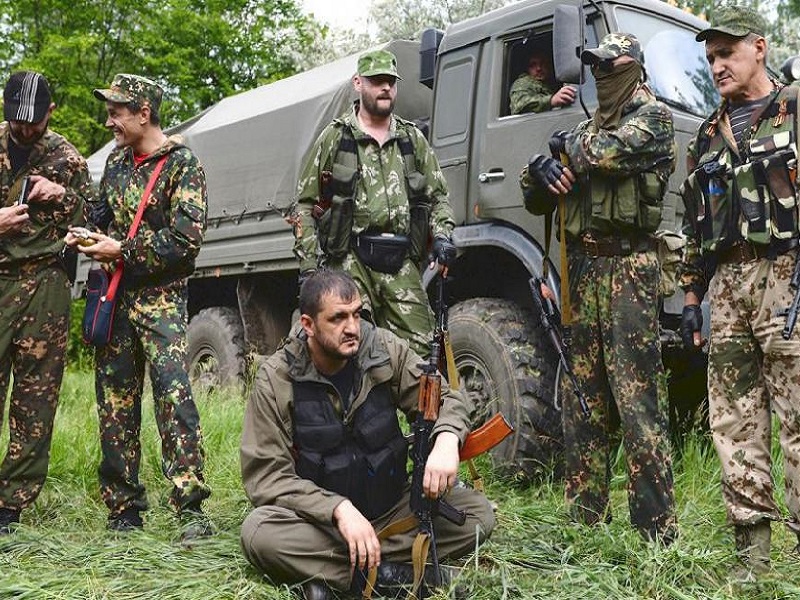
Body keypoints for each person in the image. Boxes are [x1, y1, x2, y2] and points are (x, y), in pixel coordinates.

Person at [240, 270, 495, 599]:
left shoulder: (384, 351)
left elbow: (444, 399)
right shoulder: (276, 380)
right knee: (259, 533)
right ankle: (399, 577)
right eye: (338, 318)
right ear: (308, 324)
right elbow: (267, 476)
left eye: (356, 314)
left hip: (391, 508)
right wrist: (338, 509)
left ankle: (338, 577)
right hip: (324, 526)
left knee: (477, 515)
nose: (352, 328)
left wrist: (446, 440)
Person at [520, 33, 677, 542]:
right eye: (595, 66)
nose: (601, 74)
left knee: (636, 401)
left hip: (630, 271)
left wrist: (560, 148)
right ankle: (585, 518)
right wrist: (537, 172)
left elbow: (604, 153)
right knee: (581, 396)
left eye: (612, 65)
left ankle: (655, 530)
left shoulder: (654, 118)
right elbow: (539, 194)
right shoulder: (585, 129)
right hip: (584, 271)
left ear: (635, 67)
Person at [679, 5, 800, 579]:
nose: (717, 65)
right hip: (726, 285)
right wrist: (692, 299)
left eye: (726, 53)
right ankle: (751, 561)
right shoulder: (707, 134)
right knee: (733, 422)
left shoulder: (796, 109)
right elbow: (693, 225)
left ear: (760, 48)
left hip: (788, 279)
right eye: (709, 58)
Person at [65, 74, 211, 537]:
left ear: (143, 113)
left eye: (117, 111)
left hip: (161, 302)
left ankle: (190, 508)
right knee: (114, 403)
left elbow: (184, 244)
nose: (109, 120)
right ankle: (123, 508)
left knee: (174, 399)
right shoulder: (115, 163)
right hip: (115, 298)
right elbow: (102, 214)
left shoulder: (183, 166)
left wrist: (120, 251)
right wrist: (86, 233)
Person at [292, 49, 457, 358]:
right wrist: (309, 269)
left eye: (391, 82)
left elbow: (438, 197)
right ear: (358, 83)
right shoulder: (336, 137)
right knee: (352, 347)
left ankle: (418, 406)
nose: (385, 88)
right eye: (377, 81)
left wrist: (444, 236)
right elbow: (304, 204)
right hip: (350, 259)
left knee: (422, 350)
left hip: (401, 259)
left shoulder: (412, 139)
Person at [0, 71, 91, 533]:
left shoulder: (67, 158)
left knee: (36, 397)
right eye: (17, 120)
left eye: (33, 122)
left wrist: (65, 195)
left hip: (44, 284)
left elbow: (93, 219)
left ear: (49, 113)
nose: (24, 129)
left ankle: (11, 504)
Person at [509, 49, 576, 115]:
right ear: (527, 69)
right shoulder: (523, 82)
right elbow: (520, 104)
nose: (539, 68)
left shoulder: (551, 83)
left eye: (543, 63)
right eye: (533, 65)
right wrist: (551, 101)